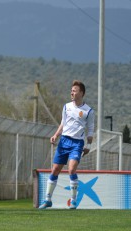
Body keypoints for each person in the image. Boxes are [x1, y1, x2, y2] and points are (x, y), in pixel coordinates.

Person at [38, 80, 95, 209]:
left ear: (81, 93)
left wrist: (89, 146)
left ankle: (73, 201)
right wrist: (55, 135)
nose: (72, 92)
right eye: (71, 90)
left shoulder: (89, 111)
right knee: (55, 170)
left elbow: (90, 129)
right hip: (64, 141)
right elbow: (63, 124)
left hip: (77, 143)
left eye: (75, 90)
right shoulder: (66, 106)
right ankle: (48, 200)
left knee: (71, 169)